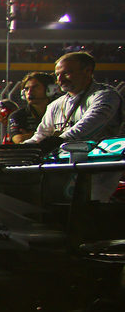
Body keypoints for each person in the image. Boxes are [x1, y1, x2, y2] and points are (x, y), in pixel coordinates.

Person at [24, 51, 124, 200]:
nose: (60, 79)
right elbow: (40, 135)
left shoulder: (105, 96)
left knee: (90, 210)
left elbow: (88, 126)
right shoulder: (55, 105)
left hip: (98, 171)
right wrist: (21, 149)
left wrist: (59, 140)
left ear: (88, 71)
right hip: (61, 171)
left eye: (67, 73)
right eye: (57, 74)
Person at [9, 72, 56, 144]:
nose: (29, 92)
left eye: (35, 87)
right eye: (26, 89)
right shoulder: (18, 115)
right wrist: (52, 134)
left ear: (49, 90)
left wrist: (30, 135)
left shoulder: (61, 110)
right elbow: (19, 140)